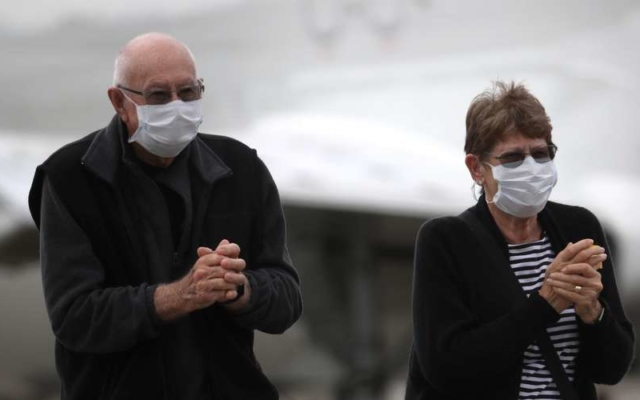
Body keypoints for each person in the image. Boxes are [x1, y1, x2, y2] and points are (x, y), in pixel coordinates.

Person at [28, 32, 302, 400]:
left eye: (188, 92)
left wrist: (237, 288)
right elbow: (75, 318)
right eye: (158, 95)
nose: (177, 106)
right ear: (119, 102)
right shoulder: (70, 178)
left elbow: (287, 300)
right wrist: (178, 296)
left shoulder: (241, 168)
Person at [405, 81, 634, 400]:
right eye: (512, 158)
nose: (531, 168)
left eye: (541, 154)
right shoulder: (446, 240)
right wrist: (545, 305)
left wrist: (593, 312)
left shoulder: (579, 228)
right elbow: (447, 368)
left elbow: (611, 370)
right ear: (477, 168)